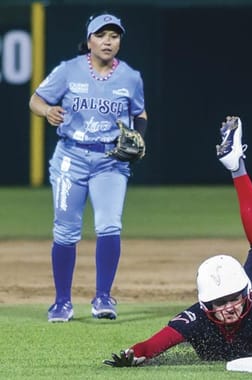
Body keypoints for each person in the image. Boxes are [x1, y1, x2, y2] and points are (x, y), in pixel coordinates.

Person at [103, 116, 252, 367]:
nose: (229, 307)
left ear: (246, 292)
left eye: (233, 298)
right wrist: (135, 352)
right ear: (206, 305)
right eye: (220, 302)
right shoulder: (195, 318)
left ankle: (238, 168)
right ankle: (237, 167)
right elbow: (155, 343)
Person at [29, 13, 148, 322]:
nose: (108, 41)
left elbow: (141, 113)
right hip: (71, 157)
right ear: (90, 40)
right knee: (65, 231)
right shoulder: (69, 70)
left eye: (114, 36)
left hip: (110, 161)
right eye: (102, 35)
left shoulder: (130, 77)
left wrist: (139, 137)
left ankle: (103, 298)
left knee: (109, 225)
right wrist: (47, 111)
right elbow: (35, 100)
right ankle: (62, 302)